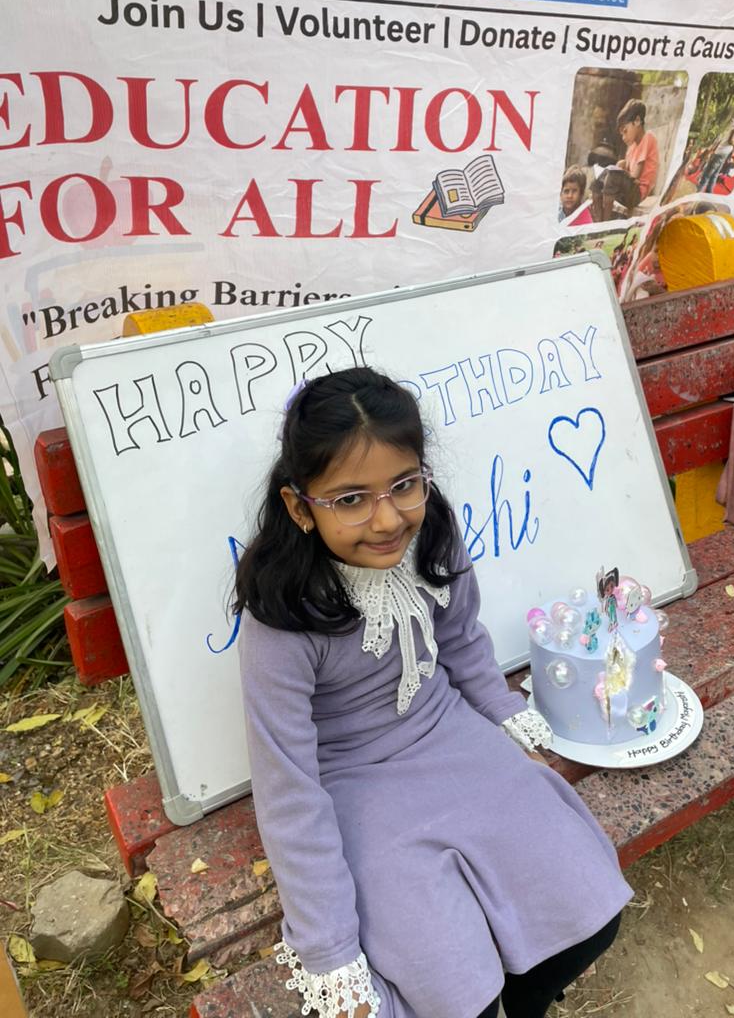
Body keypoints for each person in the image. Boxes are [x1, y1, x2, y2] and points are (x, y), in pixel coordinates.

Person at [235, 368, 631, 1018]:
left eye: (403, 485)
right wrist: (331, 950)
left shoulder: (432, 536)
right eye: (351, 499)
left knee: (587, 913)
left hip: (450, 736)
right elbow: (289, 792)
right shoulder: (281, 618)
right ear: (300, 507)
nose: (387, 518)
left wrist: (507, 721)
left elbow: (463, 641)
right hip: (353, 787)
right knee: (453, 991)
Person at [699, 104, 734, 194]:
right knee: (714, 175)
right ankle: (709, 193)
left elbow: (731, 139)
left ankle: (697, 195)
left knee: (706, 175)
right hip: (725, 150)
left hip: (722, 150)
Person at [617, 98, 660, 202]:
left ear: (637, 121)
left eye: (625, 131)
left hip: (639, 191)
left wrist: (620, 175)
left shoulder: (648, 138)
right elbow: (627, 170)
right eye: (622, 134)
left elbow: (635, 176)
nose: (623, 137)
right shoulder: (632, 147)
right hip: (631, 187)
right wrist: (620, 167)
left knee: (611, 181)